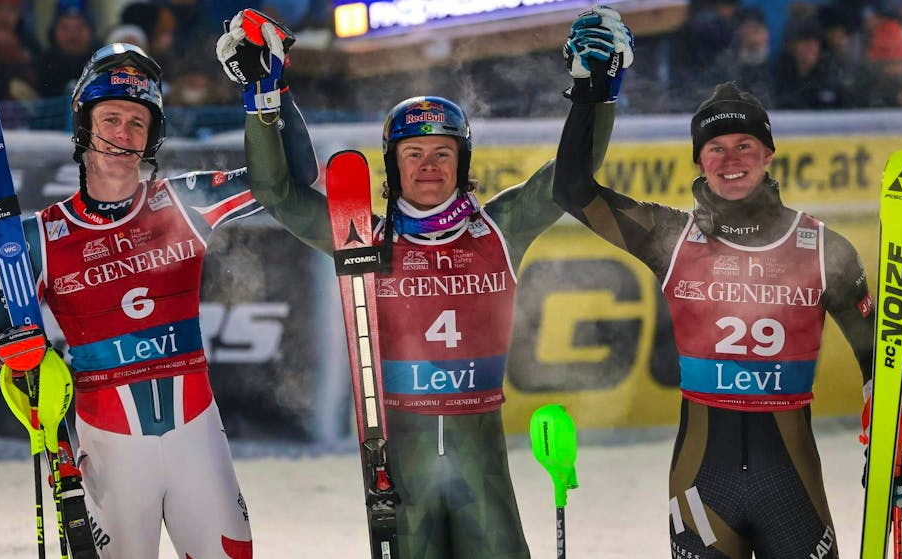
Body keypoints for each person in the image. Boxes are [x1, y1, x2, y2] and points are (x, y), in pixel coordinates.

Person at [217, 6, 630, 557]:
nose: (428, 165)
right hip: (401, 469)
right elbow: (277, 193)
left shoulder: (500, 228)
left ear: (463, 162)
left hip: (481, 470)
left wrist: (596, 95)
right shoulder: (362, 238)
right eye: (413, 153)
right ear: (393, 166)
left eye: (442, 153)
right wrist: (263, 100)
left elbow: (572, 179)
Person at [0, 29, 317, 558]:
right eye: (110, 119)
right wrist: (21, 356)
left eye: (138, 123)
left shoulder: (184, 201)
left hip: (197, 441)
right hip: (108, 452)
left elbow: (293, 175)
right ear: (83, 127)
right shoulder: (38, 236)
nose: (124, 133)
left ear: (152, 137)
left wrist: (272, 91)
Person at [552, 80, 902, 557]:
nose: (730, 160)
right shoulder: (670, 237)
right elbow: (571, 190)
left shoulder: (823, 248)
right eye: (715, 148)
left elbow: (879, 356)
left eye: (744, 145)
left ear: (768, 154)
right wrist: (591, 92)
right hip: (701, 489)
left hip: (792, 490)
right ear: (699, 161)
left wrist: (890, 452)